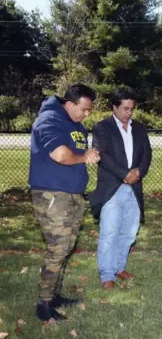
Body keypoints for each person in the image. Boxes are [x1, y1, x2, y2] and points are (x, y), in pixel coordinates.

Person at [29, 84, 100, 322]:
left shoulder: (75, 123)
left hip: (72, 194)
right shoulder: (49, 120)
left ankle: (54, 295)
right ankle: (44, 305)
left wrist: (86, 155)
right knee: (57, 249)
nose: (86, 114)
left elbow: (76, 150)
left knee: (66, 248)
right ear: (70, 104)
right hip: (52, 195)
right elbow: (59, 154)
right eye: (84, 109)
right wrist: (83, 157)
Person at [89, 91, 152, 289]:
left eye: (132, 109)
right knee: (109, 232)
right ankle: (107, 275)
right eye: (125, 108)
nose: (129, 113)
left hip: (134, 188)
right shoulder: (102, 128)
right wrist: (125, 174)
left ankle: (119, 267)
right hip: (112, 188)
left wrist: (139, 172)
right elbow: (102, 155)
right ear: (114, 107)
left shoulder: (139, 128)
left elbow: (147, 154)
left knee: (129, 232)